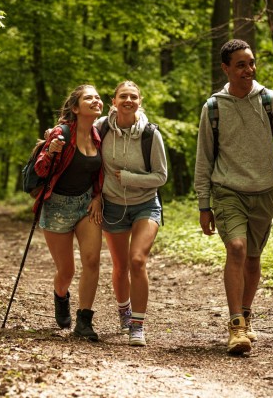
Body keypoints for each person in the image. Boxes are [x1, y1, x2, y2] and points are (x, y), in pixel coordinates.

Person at [194, 40, 273, 355]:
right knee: (236, 248)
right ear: (226, 68)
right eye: (241, 65)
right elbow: (204, 159)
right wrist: (204, 205)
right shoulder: (213, 107)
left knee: (252, 258)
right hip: (227, 190)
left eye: (251, 63)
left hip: (263, 190)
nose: (248, 70)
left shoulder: (270, 101)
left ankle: (245, 313)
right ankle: (235, 327)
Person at [94, 81, 168, 346]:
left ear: (140, 101)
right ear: (113, 101)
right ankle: (123, 310)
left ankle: (137, 324)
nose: (128, 100)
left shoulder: (150, 134)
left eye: (133, 96)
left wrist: (128, 177)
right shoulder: (100, 128)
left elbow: (161, 176)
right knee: (120, 265)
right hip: (112, 205)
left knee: (137, 260)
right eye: (122, 96)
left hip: (146, 204)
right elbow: (77, 137)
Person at [34, 84, 105, 341]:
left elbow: (100, 172)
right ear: (75, 107)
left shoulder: (99, 135)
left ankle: (84, 321)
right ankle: (61, 295)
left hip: (86, 206)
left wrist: (97, 196)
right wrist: (51, 151)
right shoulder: (61, 133)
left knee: (92, 260)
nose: (96, 101)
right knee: (67, 272)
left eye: (98, 97)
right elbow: (41, 171)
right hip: (57, 208)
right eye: (89, 98)